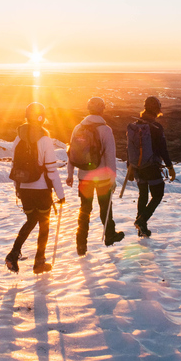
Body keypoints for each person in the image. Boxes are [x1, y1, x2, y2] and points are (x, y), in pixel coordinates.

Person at [5, 102, 65, 274]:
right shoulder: (45, 139)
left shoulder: (18, 138)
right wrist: (60, 194)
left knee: (31, 220)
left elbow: (14, 165)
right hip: (41, 189)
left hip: (24, 189)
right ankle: (39, 261)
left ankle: (13, 254)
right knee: (44, 225)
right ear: (42, 117)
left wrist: (18, 188)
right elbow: (52, 170)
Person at [66, 97, 125, 256]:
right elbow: (110, 157)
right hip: (102, 178)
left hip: (84, 176)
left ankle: (81, 244)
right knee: (105, 207)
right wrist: (112, 180)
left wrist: (70, 174)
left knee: (85, 209)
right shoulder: (105, 130)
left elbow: (71, 153)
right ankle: (110, 235)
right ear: (102, 109)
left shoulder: (78, 127)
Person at [127, 96, 175, 237]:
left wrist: (130, 166)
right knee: (158, 195)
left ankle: (142, 229)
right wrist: (170, 167)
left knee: (143, 194)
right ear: (157, 109)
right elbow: (162, 149)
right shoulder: (156, 127)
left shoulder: (136, 125)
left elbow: (129, 147)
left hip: (137, 167)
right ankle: (142, 221)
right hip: (151, 167)